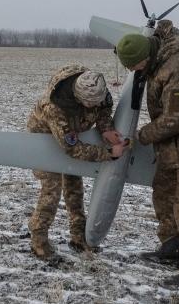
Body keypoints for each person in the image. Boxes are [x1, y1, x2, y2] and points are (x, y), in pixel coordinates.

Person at [116, 20, 179, 288]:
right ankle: (172, 248)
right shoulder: (158, 62)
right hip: (170, 146)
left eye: (135, 66)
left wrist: (141, 136)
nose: (134, 71)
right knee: (163, 195)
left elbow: (177, 118)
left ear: (146, 57)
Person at [26, 65, 127, 260]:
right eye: (88, 104)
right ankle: (38, 240)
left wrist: (106, 129)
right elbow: (72, 148)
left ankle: (78, 237)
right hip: (44, 140)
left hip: (71, 133)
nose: (92, 107)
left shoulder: (98, 92)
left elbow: (104, 111)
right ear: (78, 97)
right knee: (51, 190)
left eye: (95, 103)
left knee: (74, 186)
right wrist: (109, 153)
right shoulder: (54, 108)